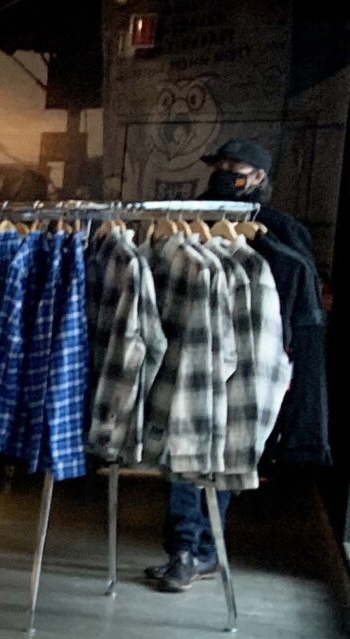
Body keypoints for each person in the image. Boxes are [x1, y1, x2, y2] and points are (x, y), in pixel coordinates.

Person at [150, 138, 319, 592]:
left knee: (226, 454)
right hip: (195, 348)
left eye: (235, 166)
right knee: (191, 447)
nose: (224, 171)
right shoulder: (188, 220)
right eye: (219, 164)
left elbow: (299, 307)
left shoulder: (281, 233)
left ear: (260, 176)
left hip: (254, 359)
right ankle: (188, 549)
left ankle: (199, 549)